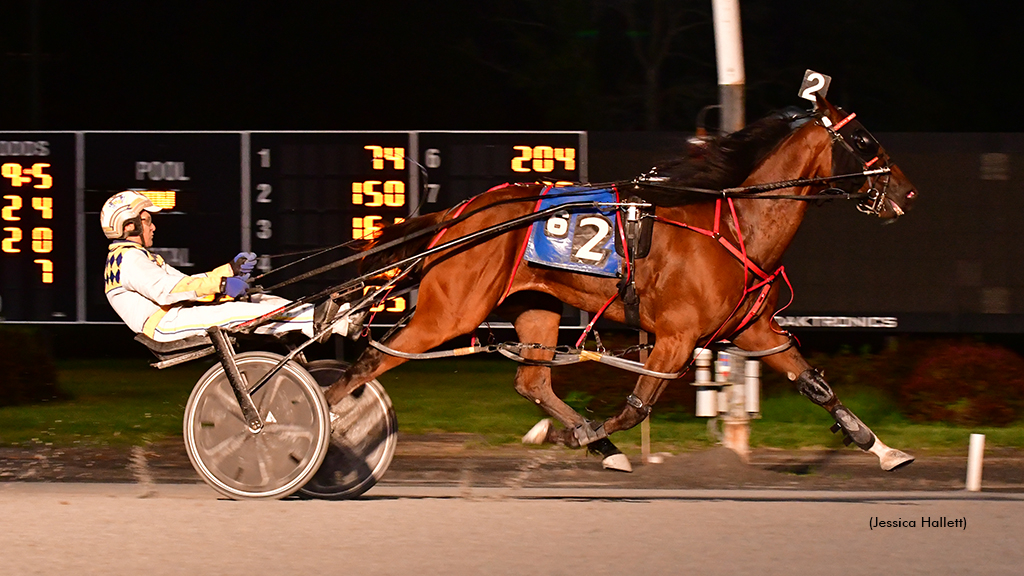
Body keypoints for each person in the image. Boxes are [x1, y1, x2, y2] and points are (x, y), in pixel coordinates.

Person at [100, 190, 351, 343]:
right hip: (166, 325)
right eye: (146, 221)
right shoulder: (128, 260)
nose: (152, 227)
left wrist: (230, 270)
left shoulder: (137, 257)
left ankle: (340, 320)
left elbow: (188, 282)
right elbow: (169, 290)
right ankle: (324, 321)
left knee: (263, 301)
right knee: (242, 314)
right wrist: (223, 285)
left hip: (176, 314)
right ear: (128, 225)